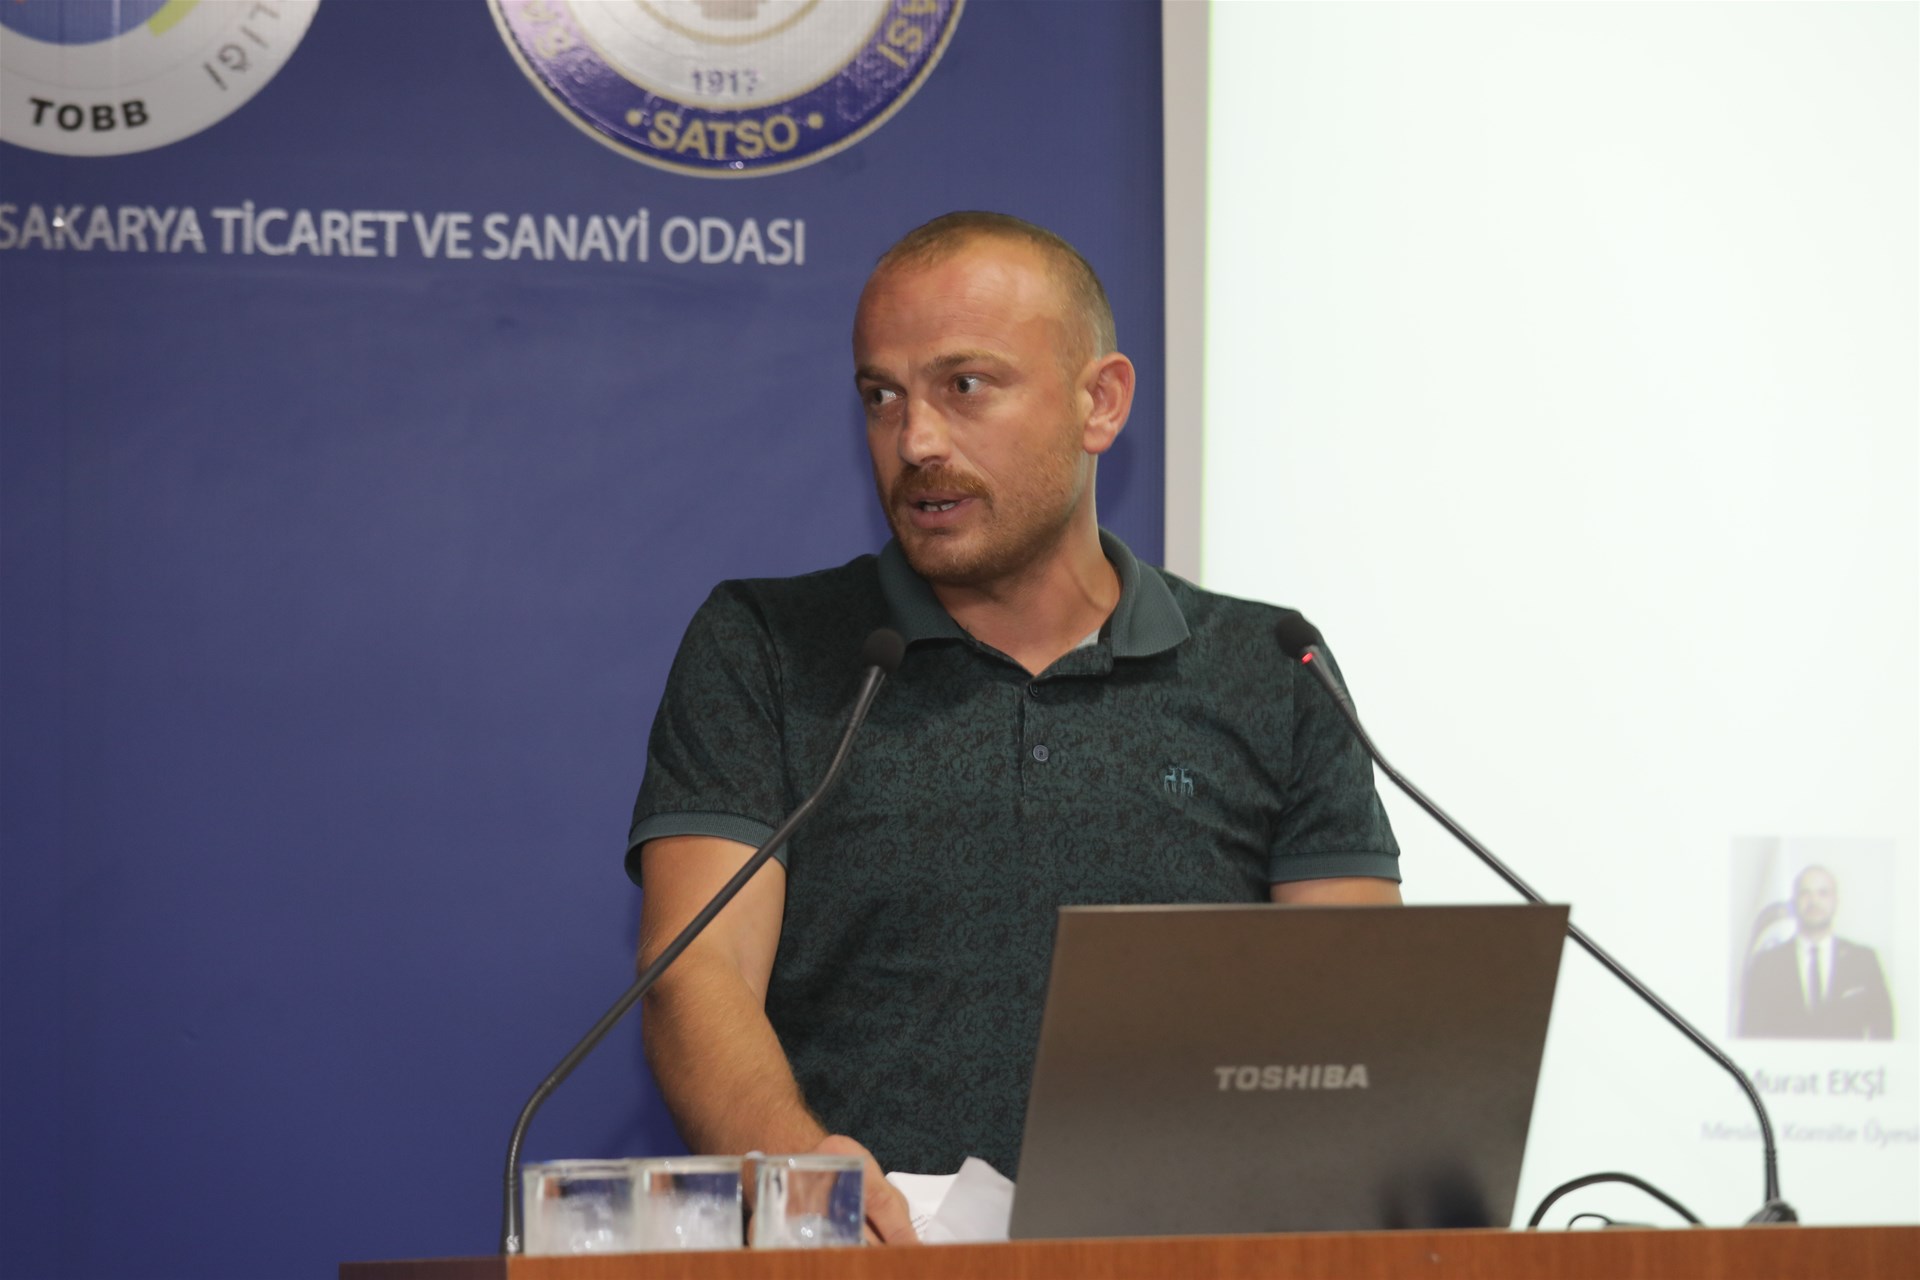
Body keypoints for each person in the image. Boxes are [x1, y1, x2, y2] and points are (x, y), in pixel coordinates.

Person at [626, 212, 1401, 1242]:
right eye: (882, 396)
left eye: (965, 385)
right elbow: (698, 973)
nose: (916, 441)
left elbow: (1353, 1025)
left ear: (1100, 402)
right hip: (868, 1260)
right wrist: (805, 1178)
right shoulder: (767, 646)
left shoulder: (1271, 666)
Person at [1738, 865, 1894, 1040]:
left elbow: (1884, 1031)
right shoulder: (1766, 964)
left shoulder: (1864, 961)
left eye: (1823, 893)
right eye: (1805, 894)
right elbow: (1750, 1034)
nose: (1814, 902)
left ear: (1836, 901)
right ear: (1794, 902)